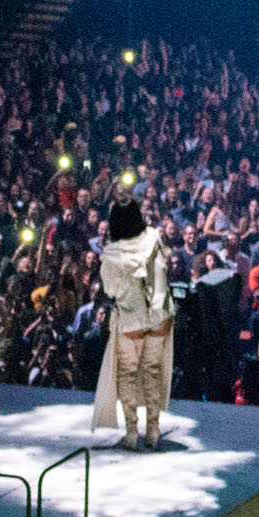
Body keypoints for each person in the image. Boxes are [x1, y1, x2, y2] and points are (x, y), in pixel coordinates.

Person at [91, 185, 175, 450]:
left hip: (131, 319)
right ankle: (152, 431)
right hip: (160, 315)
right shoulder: (154, 237)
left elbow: (110, 290)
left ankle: (131, 433)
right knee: (152, 373)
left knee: (128, 375)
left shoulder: (113, 254)